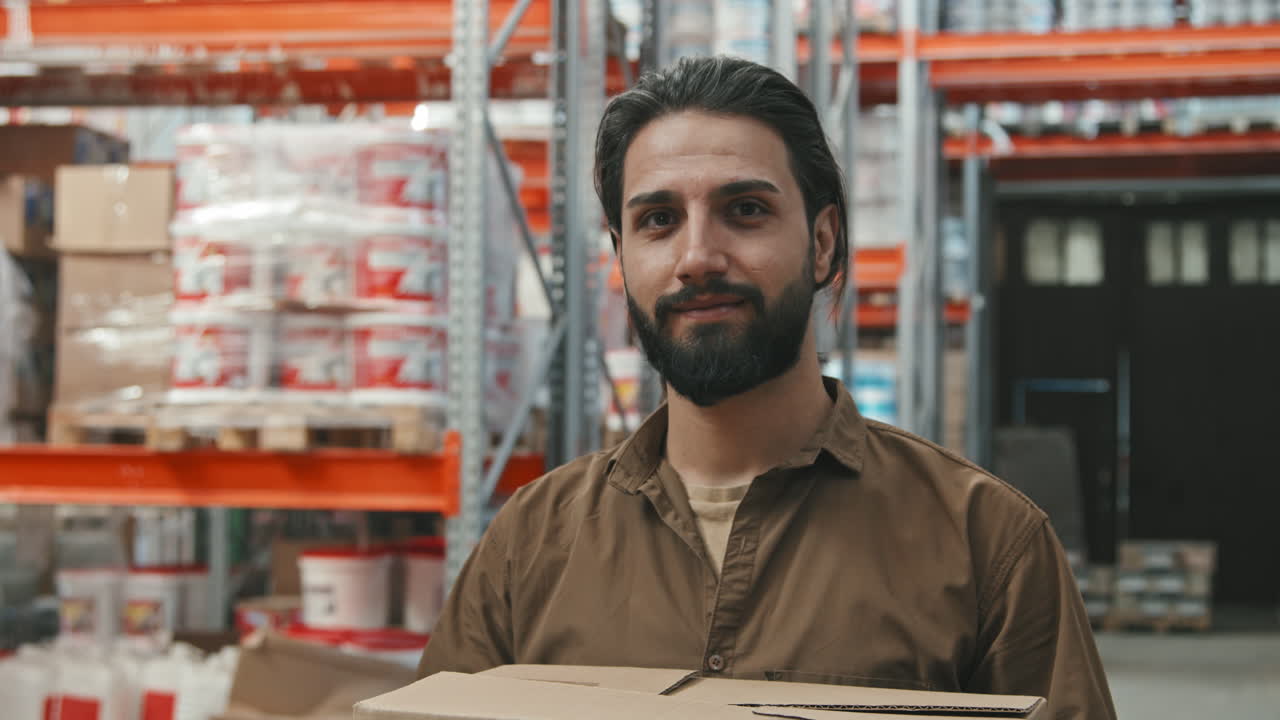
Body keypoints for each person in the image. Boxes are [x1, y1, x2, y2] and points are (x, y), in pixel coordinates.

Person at [418, 55, 1116, 719]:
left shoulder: (988, 544)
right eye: (658, 220)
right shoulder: (529, 546)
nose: (697, 258)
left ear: (822, 242)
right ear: (622, 257)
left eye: (745, 210)